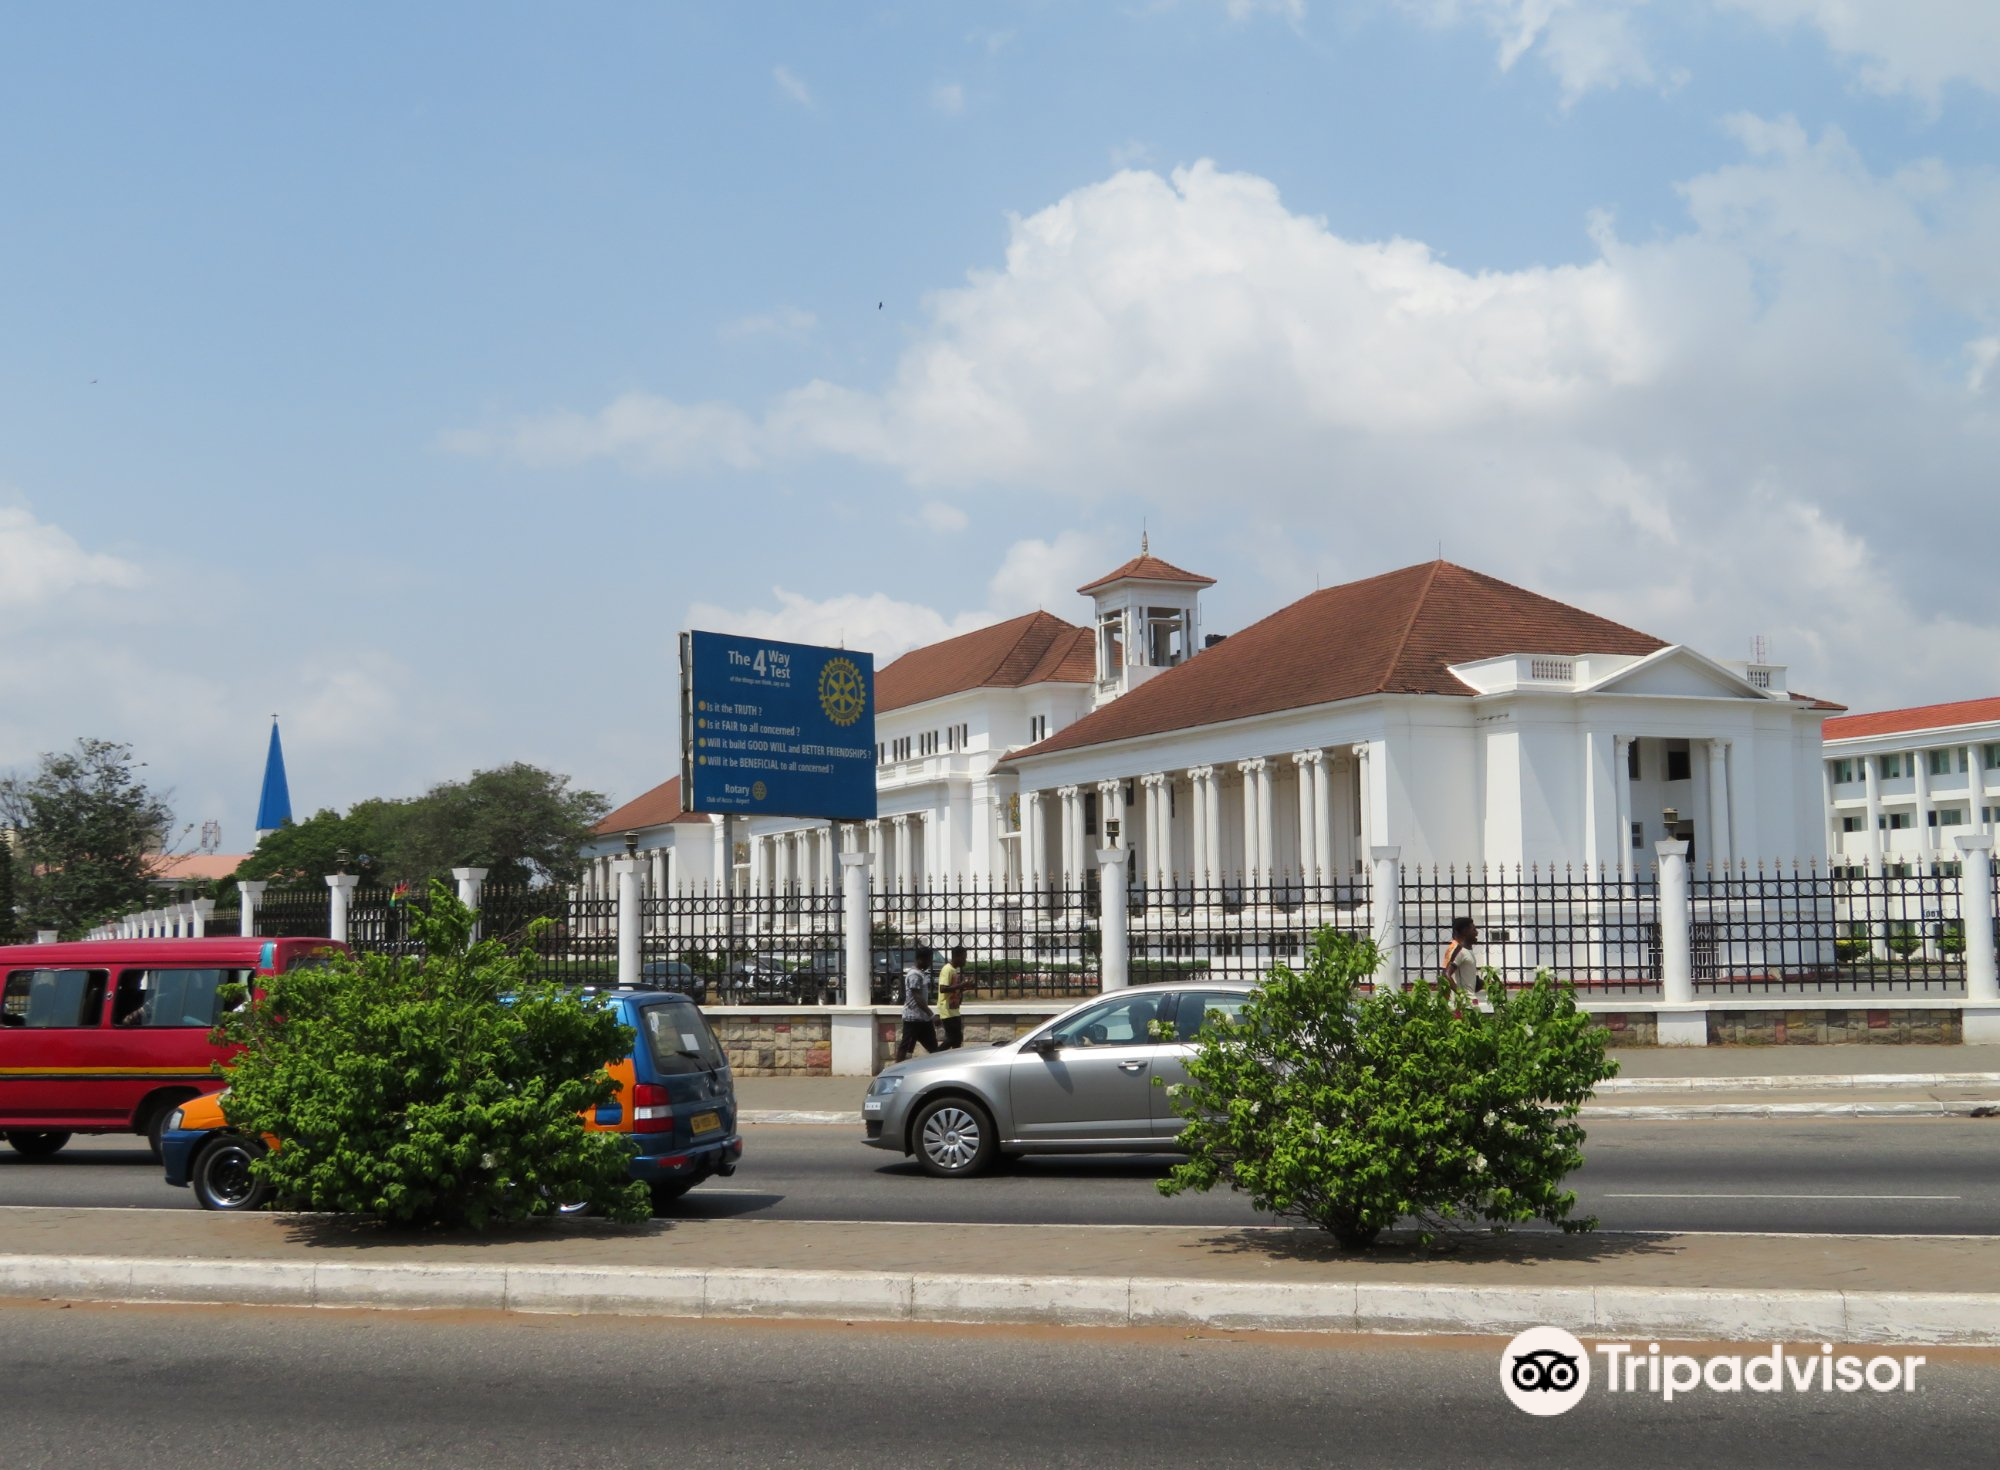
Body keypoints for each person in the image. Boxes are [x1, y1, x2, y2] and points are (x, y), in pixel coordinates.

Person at [894, 944, 940, 1062]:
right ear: (922, 959)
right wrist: (932, 1015)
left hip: (923, 1019)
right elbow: (917, 997)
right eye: (929, 959)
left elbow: (922, 997)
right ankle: (894, 1072)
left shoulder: (920, 973)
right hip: (913, 1019)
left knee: (934, 1048)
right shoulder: (914, 975)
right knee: (905, 1047)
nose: (930, 962)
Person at [935, 945, 969, 1050]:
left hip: (954, 1010)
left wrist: (965, 987)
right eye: (964, 957)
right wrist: (961, 985)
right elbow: (943, 989)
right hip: (947, 1011)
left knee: (957, 1039)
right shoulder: (947, 969)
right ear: (957, 957)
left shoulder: (954, 970)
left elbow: (954, 989)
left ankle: (955, 1061)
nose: (965, 960)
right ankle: (935, 1056)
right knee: (952, 1039)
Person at [1441, 916, 1481, 995]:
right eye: (1473, 929)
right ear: (1465, 931)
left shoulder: (1467, 951)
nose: (1476, 933)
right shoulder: (1458, 951)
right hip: (1462, 1003)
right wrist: (1461, 996)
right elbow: (1446, 975)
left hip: (1470, 1000)